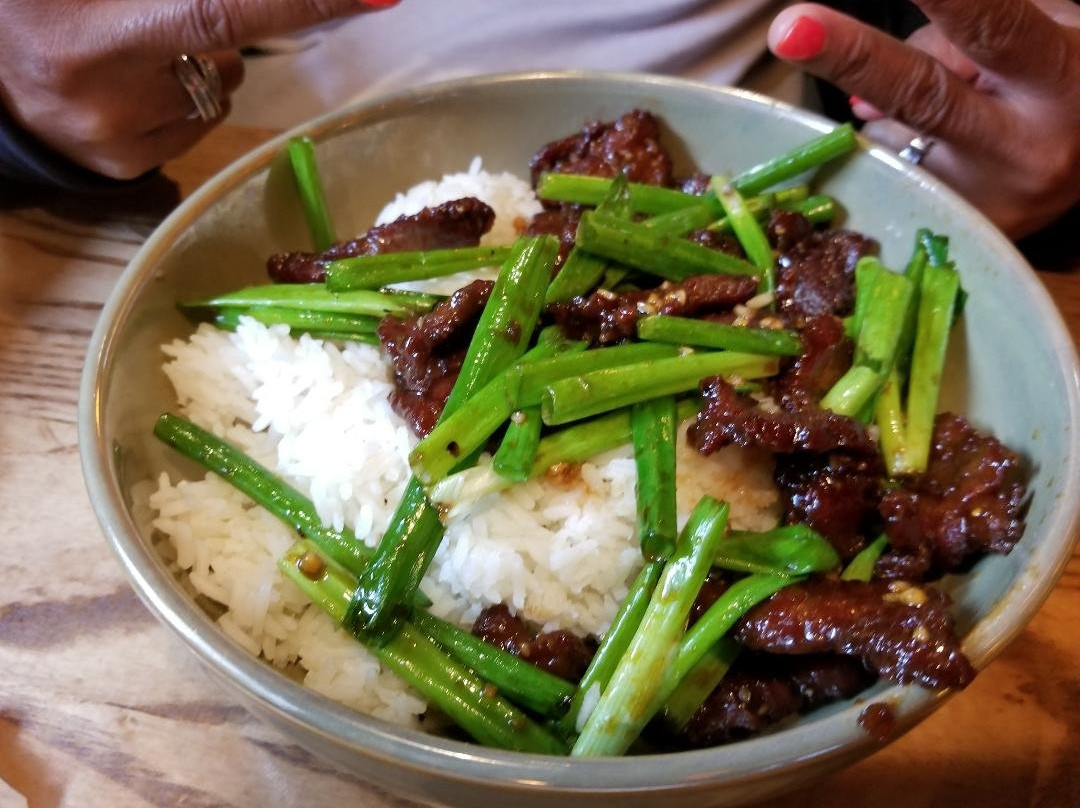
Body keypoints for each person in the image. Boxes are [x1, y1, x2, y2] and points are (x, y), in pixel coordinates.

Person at [0, 0, 1076, 239]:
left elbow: (1033, 66)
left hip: (716, 201)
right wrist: (18, 114)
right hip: (168, 218)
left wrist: (1019, 131)